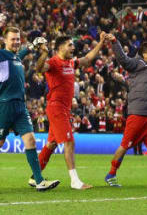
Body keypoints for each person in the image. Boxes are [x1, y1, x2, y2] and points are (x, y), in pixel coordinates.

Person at [0, 26, 60, 193]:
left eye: (17, 38)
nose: (16, 41)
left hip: (20, 106)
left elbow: (23, 52)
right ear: (5, 41)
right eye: (12, 39)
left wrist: (34, 45)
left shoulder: (16, 56)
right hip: (4, 105)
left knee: (31, 140)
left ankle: (39, 181)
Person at [33, 34, 106, 189]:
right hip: (56, 107)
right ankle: (75, 181)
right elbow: (39, 68)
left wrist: (100, 42)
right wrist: (44, 53)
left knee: (52, 143)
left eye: (73, 45)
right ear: (60, 47)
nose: (73, 48)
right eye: (69, 45)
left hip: (64, 109)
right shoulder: (53, 62)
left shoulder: (71, 63)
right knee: (69, 141)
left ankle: (35, 176)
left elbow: (87, 59)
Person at [104, 35, 147, 187]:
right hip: (137, 114)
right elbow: (122, 59)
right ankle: (111, 174)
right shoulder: (136, 63)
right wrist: (115, 41)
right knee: (125, 146)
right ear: (144, 54)